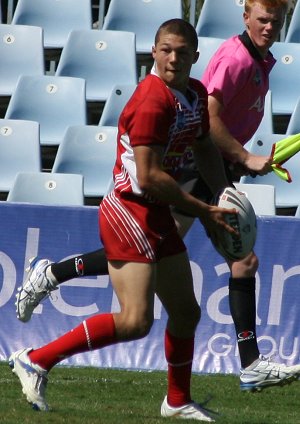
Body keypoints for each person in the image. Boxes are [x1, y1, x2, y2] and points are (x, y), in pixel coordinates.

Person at [15, 0, 300, 394]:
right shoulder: (229, 62)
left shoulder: (246, 65)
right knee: (145, 300)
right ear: (246, 17)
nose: (270, 27)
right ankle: (43, 328)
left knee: (194, 289)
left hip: (206, 173)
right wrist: (239, 161)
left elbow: (203, 125)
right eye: (263, 19)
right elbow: (204, 125)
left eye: (277, 21)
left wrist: (229, 178)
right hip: (169, 186)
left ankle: (195, 391)